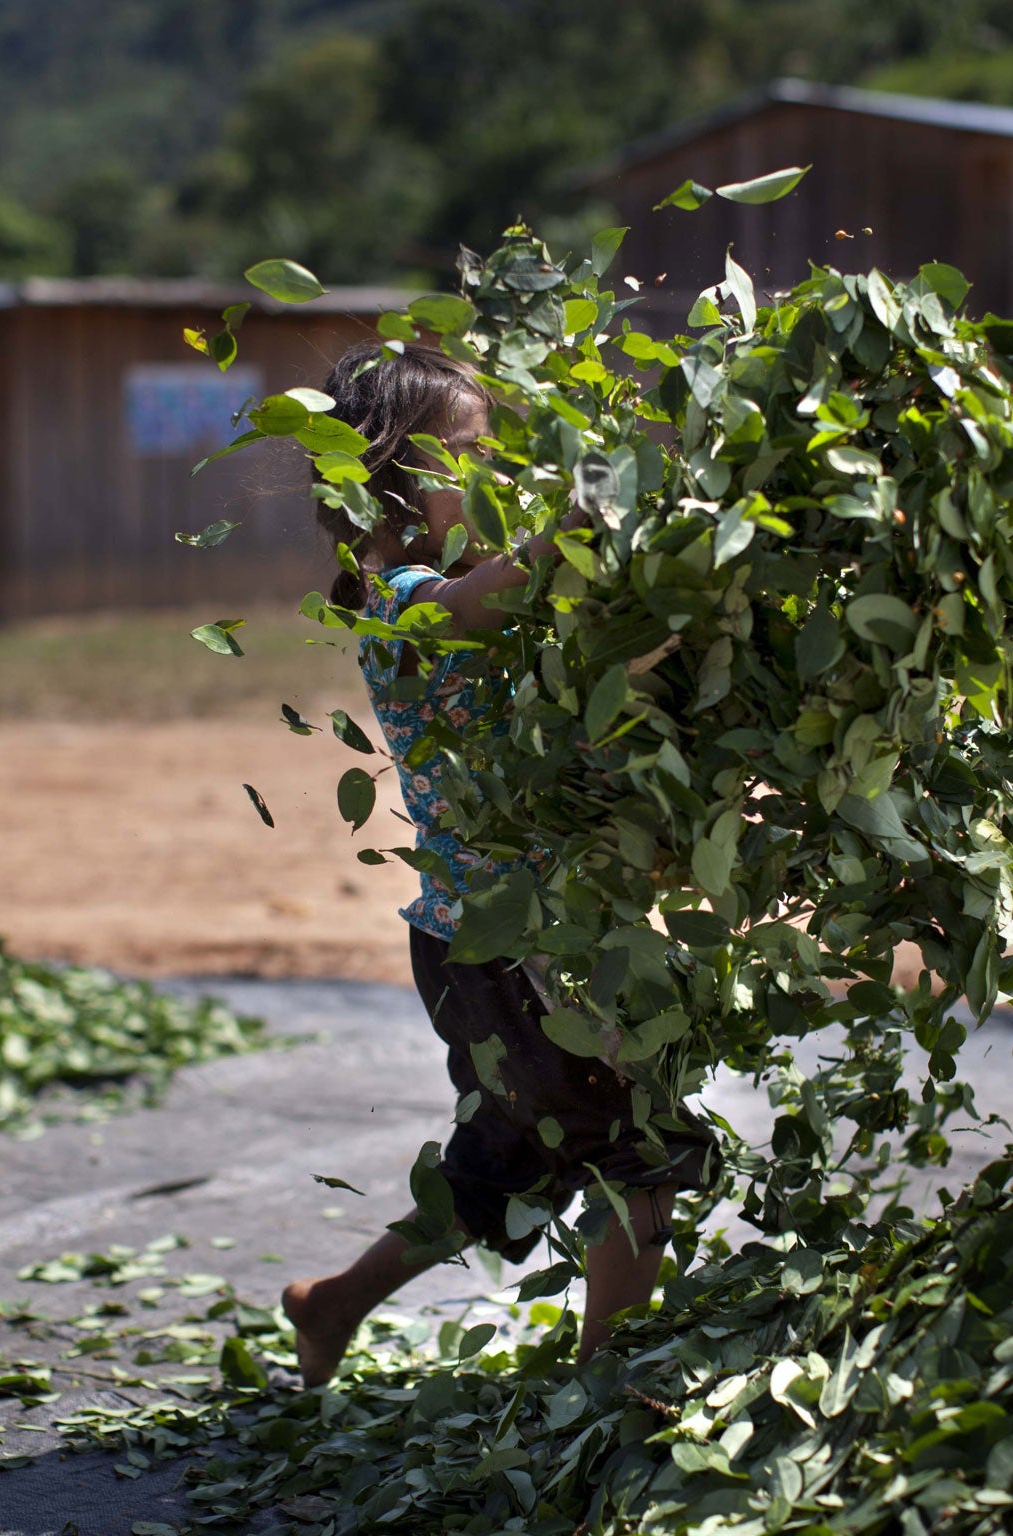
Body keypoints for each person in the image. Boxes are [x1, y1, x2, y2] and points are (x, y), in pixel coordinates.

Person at [279, 343, 719, 1386]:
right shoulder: (395, 604)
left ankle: (330, 1304)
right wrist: (583, 514)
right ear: (393, 479)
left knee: (502, 1164)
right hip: (503, 947)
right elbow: (479, 607)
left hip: (525, 937)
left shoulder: (492, 587)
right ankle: (607, 1392)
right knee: (638, 1149)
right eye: (473, 454)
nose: (497, 474)